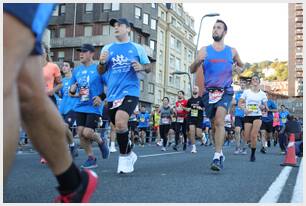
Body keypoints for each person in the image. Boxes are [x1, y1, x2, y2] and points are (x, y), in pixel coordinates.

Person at [3, 4, 97, 202]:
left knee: (6, 83)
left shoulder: (64, 67)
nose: (81, 54)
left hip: (76, 105)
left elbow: (64, 84)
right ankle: (73, 186)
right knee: (26, 93)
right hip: (68, 103)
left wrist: (58, 90)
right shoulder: (72, 70)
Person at [189, 19, 244, 171]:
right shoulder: (204, 50)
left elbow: (242, 66)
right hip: (209, 93)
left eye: (218, 28)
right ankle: (218, 152)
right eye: (214, 28)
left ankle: (217, 156)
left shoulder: (231, 51)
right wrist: (197, 61)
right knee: (214, 125)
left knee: (220, 120)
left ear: (224, 32)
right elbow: (192, 69)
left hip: (225, 90)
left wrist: (239, 70)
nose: (215, 30)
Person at [98, 18, 151, 173]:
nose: (116, 27)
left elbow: (148, 67)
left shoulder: (137, 48)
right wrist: (101, 63)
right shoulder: (107, 48)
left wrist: (141, 66)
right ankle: (129, 153)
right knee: (119, 127)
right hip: (113, 94)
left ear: (128, 29)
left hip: (131, 91)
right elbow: (100, 72)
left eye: (119, 25)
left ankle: (124, 159)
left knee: (121, 123)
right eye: (114, 26)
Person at [69, 43, 109, 169]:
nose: (80, 54)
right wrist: (72, 89)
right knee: (80, 132)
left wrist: (101, 97)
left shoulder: (99, 69)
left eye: (84, 51)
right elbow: (71, 91)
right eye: (80, 51)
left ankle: (102, 142)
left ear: (92, 54)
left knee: (87, 132)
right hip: (80, 105)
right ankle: (91, 158)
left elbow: (109, 86)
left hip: (94, 106)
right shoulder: (76, 71)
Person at [239, 75, 268, 162]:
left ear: (259, 82)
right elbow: (240, 103)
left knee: (253, 135)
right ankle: (250, 142)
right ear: (251, 82)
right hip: (248, 116)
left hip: (257, 116)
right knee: (246, 136)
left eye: (256, 79)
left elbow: (266, 108)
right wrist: (244, 109)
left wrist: (262, 106)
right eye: (253, 79)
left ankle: (252, 154)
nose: (254, 80)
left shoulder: (262, 94)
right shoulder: (246, 92)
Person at [58, 60, 79, 158]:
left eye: (66, 66)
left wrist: (73, 94)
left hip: (73, 108)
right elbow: (61, 94)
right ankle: (72, 146)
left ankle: (70, 146)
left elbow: (82, 93)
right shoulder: (61, 81)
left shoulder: (76, 80)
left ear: (71, 68)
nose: (63, 67)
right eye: (62, 66)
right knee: (61, 129)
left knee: (65, 126)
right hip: (62, 108)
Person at [186, 86, 205, 153]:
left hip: (199, 118)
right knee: (192, 132)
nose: (194, 89)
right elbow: (187, 108)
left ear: (198, 90)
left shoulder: (201, 99)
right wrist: (187, 109)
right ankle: (193, 147)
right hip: (191, 117)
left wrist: (200, 108)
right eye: (194, 88)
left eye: (196, 88)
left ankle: (203, 136)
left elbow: (204, 108)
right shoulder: (189, 100)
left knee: (198, 134)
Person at [233, 78, 247, 154]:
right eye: (241, 83)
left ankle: (244, 147)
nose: (242, 84)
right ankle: (237, 147)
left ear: (246, 84)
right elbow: (234, 102)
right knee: (237, 130)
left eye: (243, 83)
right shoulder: (237, 93)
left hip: (246, 115)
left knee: (245, 133)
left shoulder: (248, 93)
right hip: (238, 114)